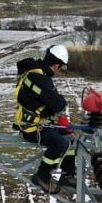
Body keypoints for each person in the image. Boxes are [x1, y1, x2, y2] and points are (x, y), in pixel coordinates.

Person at [13, 45, 77, 194]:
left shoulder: (33, 73)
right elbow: (59, 104)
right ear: (56, 66)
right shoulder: (41, 79)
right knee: (59, 143)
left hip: (38, 124)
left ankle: (67, 175)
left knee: (71, 138)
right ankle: (42, 175)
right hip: (31, 128)